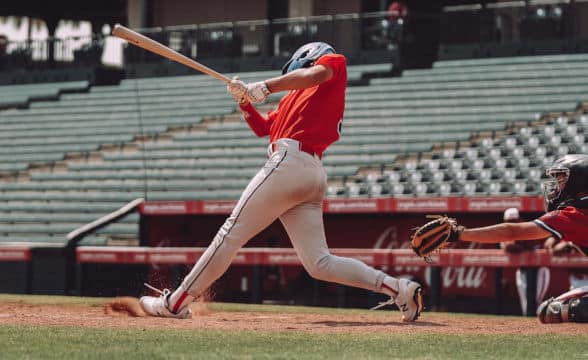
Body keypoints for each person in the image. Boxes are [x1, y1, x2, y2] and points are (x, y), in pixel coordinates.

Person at [139, 42, 423, 322]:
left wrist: (265, 86)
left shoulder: (332, 63)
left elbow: (314, 75)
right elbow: (263, 128)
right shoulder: (294, 98)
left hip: (291, 164)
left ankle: (175, 303)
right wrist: (243, 101)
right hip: (308, 173)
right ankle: (398, 288)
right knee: (319, 263)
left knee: (230, 233)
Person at [452, 154, 588, 323]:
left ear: (578, 182)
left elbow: (511, 232)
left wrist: (460, 233)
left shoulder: (575, 214)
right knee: (556, 308)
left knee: (556, 310)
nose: (555, 188)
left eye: (561, 180)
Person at [500, 207, 550, 316]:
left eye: (514, 222)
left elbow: (514, 246)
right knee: (525, 305)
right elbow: (507, 246)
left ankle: (538, 330)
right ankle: (528, 330)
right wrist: (518, 245)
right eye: (509, 222)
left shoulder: (528, 228)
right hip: (522, 270)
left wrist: (518, 244)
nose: (511, 224)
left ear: (519, 220)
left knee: (536, 303)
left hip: (539, 270)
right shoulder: (507, 232)